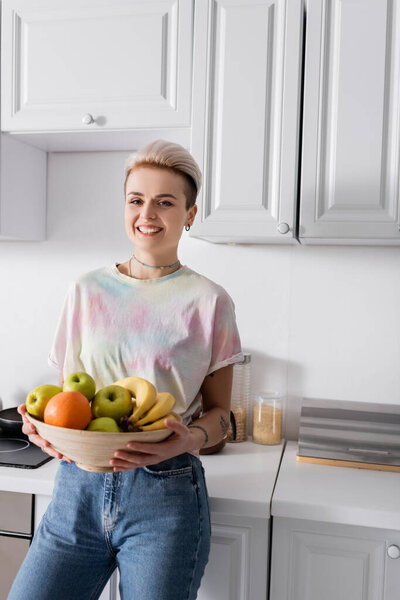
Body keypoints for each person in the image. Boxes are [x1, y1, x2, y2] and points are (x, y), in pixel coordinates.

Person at [9, 140, 244, 600]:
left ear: (189, 214)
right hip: (77, 490)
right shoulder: (85, 290)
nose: (147, 213)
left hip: (166, 493)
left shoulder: (210, 301)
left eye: (165, 202)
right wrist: (43, 431)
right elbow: (68, 401)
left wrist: (192, 438)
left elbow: (223, 416)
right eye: (136, 200)